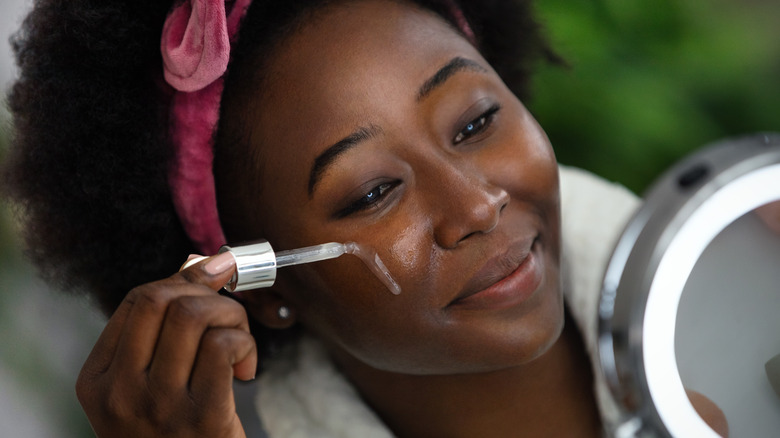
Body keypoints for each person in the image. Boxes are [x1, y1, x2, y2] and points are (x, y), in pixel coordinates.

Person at [1, 0, 727, 436]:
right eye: (374, 192)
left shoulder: (745, 278)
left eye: (475, 123)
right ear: (263, 285)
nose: (476, 206)